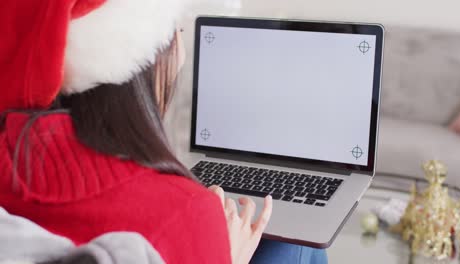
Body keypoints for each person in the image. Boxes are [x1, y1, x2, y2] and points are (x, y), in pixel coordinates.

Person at [0, 1, 327, 263]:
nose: (181, 54)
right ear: (141, 55)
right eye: (177, 32)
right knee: (297, 248)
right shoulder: (186, 213)